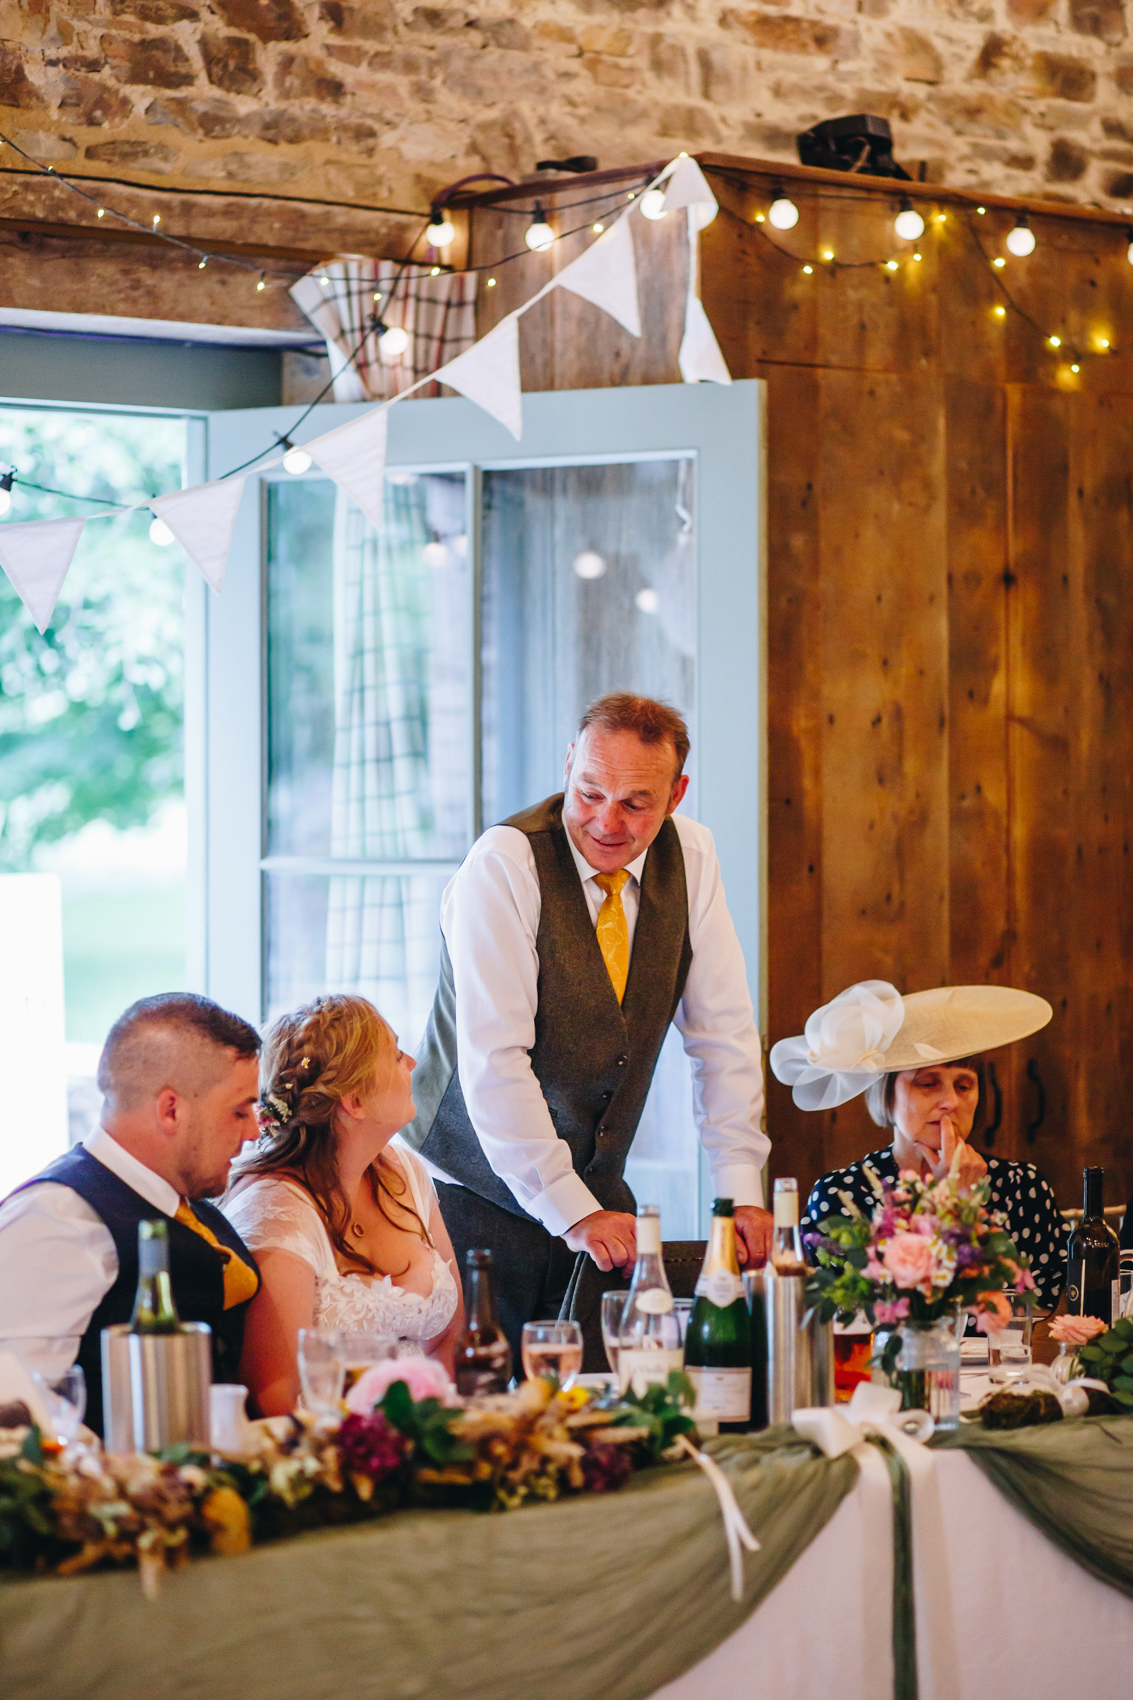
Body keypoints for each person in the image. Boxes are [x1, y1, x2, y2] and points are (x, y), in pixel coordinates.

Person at [402, 691, 772, 1367]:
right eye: (590, 792)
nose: (606, 821)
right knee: (484, 1406)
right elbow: (495, 1059)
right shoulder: (504, 865)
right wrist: (571, 1210)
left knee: (605, 1403)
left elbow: (722, 1038)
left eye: (635, 803)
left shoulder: (691, 857)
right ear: (569, 762)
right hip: (469, 1196)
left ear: (676, 794)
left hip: (595, 1190)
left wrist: (739, 1191)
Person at [0, 993, 263, 1435]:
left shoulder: (182, 1199)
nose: (254, 1130)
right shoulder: (60, 1218)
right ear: (171, 1110)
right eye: (239, 1111)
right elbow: (17, 1403)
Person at [222, 994, 462, 1416]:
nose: (411, 1063)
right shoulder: (275, 1212)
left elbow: (446, 1339)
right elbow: (275, 1398)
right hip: (324, 1444)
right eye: (395, 1055)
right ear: (354, 1102)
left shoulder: (405, 1171)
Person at [770, 979, 1067, 1307]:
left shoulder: (1023, 1186)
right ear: (887, 1099)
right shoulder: (841, 1195)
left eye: (964, 1085)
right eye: (928, 1083)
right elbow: (850, 1312)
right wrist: (948, 1203)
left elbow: (1043, 1306)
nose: (951, 1101)